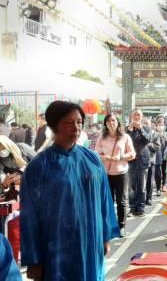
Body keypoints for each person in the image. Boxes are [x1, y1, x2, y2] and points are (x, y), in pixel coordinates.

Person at [20, 101, 119, 281]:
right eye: (69, 122)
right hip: (56, 247)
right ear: (54, 125)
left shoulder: (93, 160)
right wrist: (33, 259)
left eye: (79, 122)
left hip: (90, 242)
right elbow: (29, 216)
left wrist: (105, 236)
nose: (76, 127)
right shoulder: (38, 167)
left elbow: (105, 201)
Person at [95, 113, 136, 237]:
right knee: (107, 201)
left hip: (121, 173)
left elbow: (133, 154)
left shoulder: (125, 137)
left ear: (117, 122)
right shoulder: (102, 137)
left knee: (121, 201)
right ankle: (108, 226)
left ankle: (121, 226)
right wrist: (103, 157)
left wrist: (121, 157)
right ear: (105, 124)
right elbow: (96, 153)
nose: (111, 123)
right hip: (106, 173)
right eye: (108, 121)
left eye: (113, 121)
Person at [127, 110, 154, 216]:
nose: (136, 116)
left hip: (143, 160)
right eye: (134, 114)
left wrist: (141, 129)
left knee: (142, 186)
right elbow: (124, 141)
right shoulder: (127, 129)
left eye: (138, 115)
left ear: (141, 117)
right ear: (131, 116)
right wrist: (129, 130)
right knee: (131, 186)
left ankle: (141, 207)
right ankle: (132, 207)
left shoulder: (146, 128)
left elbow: (147, 140)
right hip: (130, 160)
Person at [155, 122, 167, 195]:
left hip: (164, 154)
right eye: (158, 125)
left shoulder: (166, 134)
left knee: (164, 170)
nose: (160, 127)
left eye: (161, 125)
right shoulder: (154, 133)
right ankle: (158, 188)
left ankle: (164, 185)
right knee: (157, 172)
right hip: (156, 156)